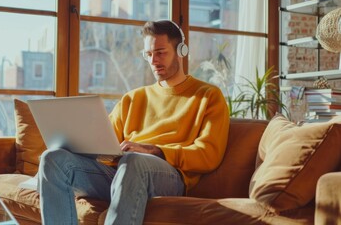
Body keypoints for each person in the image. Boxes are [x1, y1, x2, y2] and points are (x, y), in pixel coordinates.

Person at [38, 20, 230, 225]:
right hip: (120, 172)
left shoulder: (208, 96)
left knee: (134, 161)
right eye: (148, 54)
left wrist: (155, 150)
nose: (154, 60)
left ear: (181, 50)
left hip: (168, 175)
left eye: (161, 52)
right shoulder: (133, 98)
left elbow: (209, 155)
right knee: (53, 159)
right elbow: (105, 140)